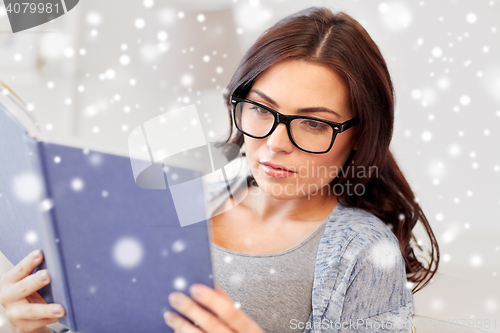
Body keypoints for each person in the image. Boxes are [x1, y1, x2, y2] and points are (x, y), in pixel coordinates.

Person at [0, 6, 439, 333]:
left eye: (313, 123)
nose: (274, 143)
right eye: (261, 110)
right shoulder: (177, 190)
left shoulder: (363, 254)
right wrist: (33, 323)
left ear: (360, 136)